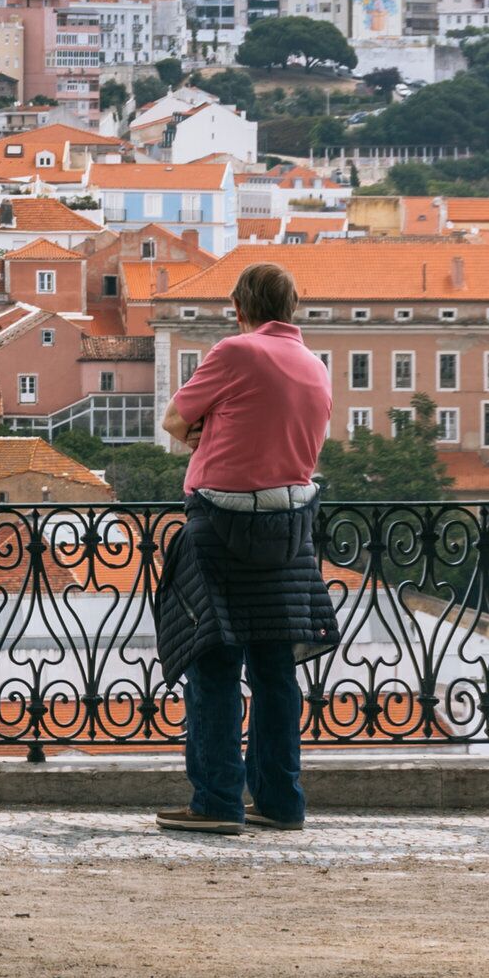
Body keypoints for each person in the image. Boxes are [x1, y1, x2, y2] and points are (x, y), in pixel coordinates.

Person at [152, 260, 342, 837]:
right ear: (293, 308)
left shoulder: (235, 352)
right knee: (276, 671)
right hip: (289, 530)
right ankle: (281, 801)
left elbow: (173, 422)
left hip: (220, 525)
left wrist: (211, 434)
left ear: (240, 307)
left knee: (213, 665)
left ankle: (216, 801)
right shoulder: (316, 366)